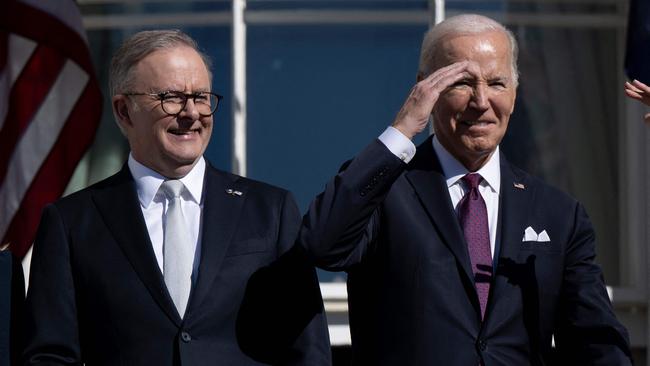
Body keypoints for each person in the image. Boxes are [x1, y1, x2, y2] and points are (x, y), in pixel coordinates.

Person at [298, 14, 632, 365]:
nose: (481, 101)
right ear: (425, 89)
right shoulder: (387, 191)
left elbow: (596, 340)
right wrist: (402, 130)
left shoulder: (558, 212)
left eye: (497, 83)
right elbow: (322, 244)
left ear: (515, 94)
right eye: (463, 82)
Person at [22, 30, 330, 366]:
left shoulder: (270, 210)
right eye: (171, 97)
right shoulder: (71, 223)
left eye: (200, 97)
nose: (192, 112)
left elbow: (307, 351)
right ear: (124, 111)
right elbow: (51, 355)